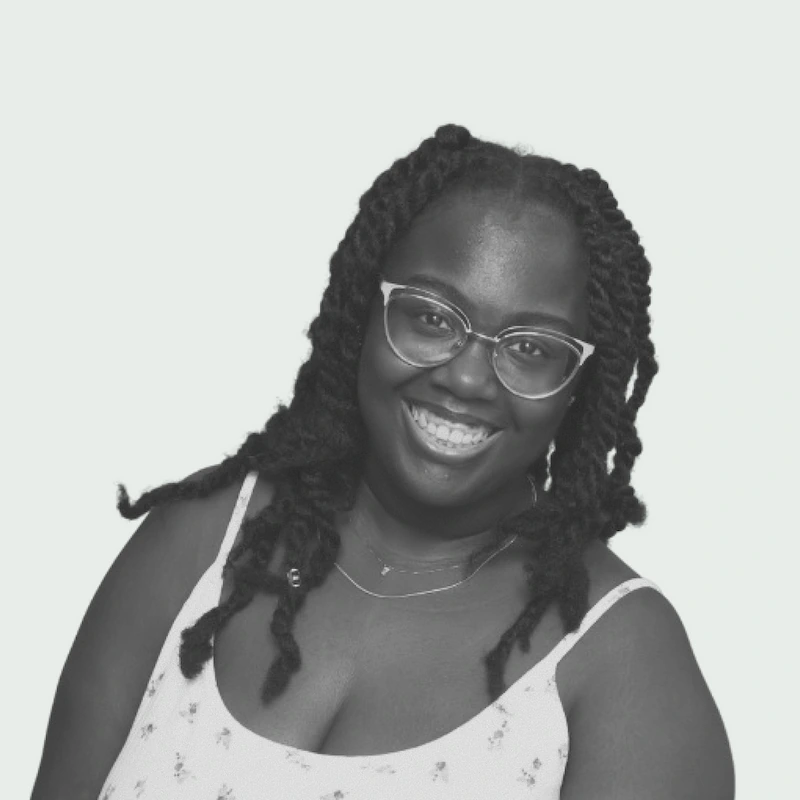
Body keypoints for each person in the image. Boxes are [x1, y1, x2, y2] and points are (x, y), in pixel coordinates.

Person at [31, 124, 734, 799]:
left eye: (530, 348)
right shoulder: (199, 543)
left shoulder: (623, 659)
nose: (467, 379)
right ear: (362, 312)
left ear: (579, 386)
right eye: (431, 317)